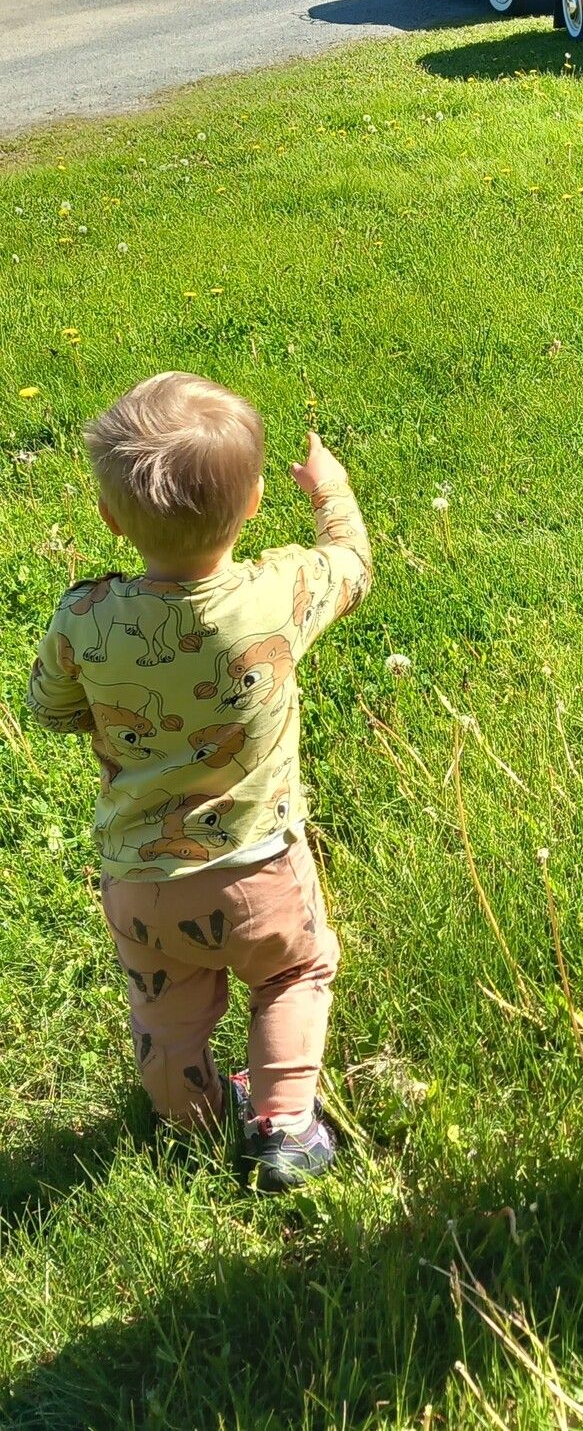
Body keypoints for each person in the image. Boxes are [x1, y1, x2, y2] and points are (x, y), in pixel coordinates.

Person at [27, 373, 372, 1192]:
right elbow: (353, 564)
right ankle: (285, 1125)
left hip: (141, 884)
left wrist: (117, 729)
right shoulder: (277, 591)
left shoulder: (86, 616)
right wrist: (333, 491)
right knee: (293, 972)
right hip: (259, 872)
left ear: (111, 518)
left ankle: (191, 1117)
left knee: (164, 1010)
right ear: (253, 501)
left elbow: (48, 707)